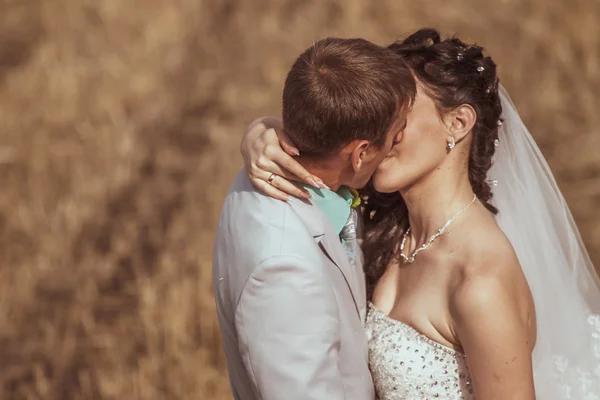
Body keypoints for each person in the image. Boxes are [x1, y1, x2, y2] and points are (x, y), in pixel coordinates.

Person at [241, 28, 600, 399]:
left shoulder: (480, 282)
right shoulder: (394, 227)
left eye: (398, 116)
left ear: (457, 123)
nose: (376, 132)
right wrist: (262, 133)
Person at [212, 37, 416, 400]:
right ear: (361, 152)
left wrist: (259, 128)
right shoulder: (284, 271)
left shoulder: (272, 173)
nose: (401, 137)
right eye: (396, 129)